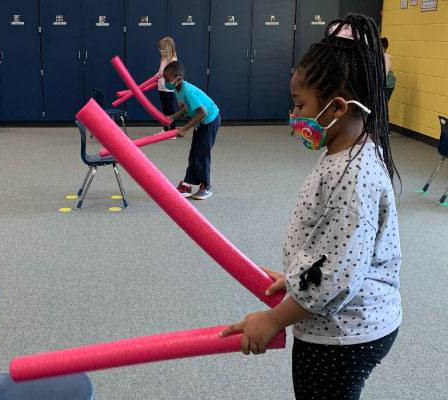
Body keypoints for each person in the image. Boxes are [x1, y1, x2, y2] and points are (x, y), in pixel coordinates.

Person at [220, 15, 401, 400]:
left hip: (342, 335)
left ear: (336, 108)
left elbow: (336, 278)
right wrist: (299, 275)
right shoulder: (348, 150)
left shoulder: (352, 176)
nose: (294, 114)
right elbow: (336, 249)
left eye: (299, 104)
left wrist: (272, 320)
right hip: (345, 317)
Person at [163, 61, 221, 200]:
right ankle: (187, 185)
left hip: (209, 121)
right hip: (200, 122)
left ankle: (206, 187)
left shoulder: (188, 91)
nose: (166, 82)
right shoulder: (178, 90)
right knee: (194, 154)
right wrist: (173, 117)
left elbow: (202, 113)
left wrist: (184, 129)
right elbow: (186, 108)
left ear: (178, 79)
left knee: (202, 154)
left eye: (168, 80)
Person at [157, 37, 178, 131]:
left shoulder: (173, 60)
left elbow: (173, 74)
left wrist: (163, 74)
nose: (161, 51)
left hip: (168, 89)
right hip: (161, 87)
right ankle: (166, 129)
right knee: (165, 110)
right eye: (160, 49)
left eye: (163, 49)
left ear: (168, 49)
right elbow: (160, 71)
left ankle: (172, 130)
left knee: (170, 110)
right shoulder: (164, 59)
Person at [381, 37, 396, 102]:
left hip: (387, 86)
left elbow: (384, 73)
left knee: (382, 106)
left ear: (383, 47)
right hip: (382, 85)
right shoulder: (378, 58)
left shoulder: (386, 58)